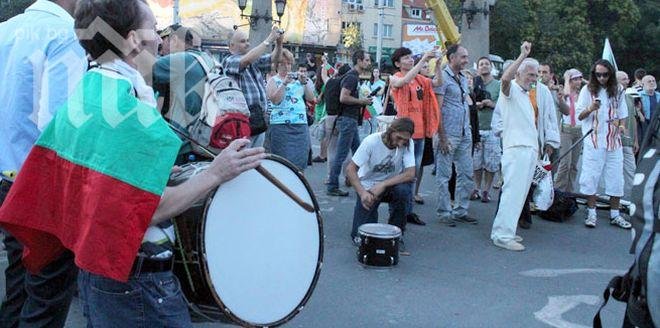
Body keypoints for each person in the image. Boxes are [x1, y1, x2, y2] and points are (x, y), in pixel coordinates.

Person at [0, 1, 266, 326]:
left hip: (104, 277)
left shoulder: (91, 88)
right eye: (153, 29)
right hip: (137, 286)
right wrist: (215, 172)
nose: (159, 39)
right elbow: (148, 210)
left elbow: (97, 180)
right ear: (130, 41)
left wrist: (151, 172)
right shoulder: (125, 108)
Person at [0, 0, 87, 326]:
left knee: (19, 287)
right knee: (45, 300)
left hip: (8, 180)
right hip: (41, 189)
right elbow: (62, 129)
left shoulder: (4, 31)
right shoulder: (65, 34)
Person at [490, 41, 560, 251]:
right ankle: (502, 235)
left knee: (521, 194)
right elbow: (504, 78)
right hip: (516, 150)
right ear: (519, 74)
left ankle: (506, 231)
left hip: (529, 150)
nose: (534, 79)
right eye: (530, 75)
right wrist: (522, 55)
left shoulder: (529, 94)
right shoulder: (509, 89)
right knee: (513, 192)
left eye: (536, 75)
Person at [389, 47, 441, 225]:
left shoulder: (420, 79)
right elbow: (402, 81)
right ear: (397, 63)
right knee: (403, 173)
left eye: (411, 57)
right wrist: (423, 59)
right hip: (404, 133)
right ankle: (399, 210)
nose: (410, 60)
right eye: (406, 58)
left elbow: (437, 83)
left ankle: (408, 211)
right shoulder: (395, 77)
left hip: (420, 132)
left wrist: (439, 65)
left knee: (414, 173)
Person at [576, 59, 630, 229]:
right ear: (593, 74)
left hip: (614, 141)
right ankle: (591, 212)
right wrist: (591, 108)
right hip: (594, 141)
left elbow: (622, 114)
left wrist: (621, 127)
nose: (601, 78)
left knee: (616, 179)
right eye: (598, 74)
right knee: (591, 177)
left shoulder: (619, 90)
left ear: (611, 75)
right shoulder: (587, 90)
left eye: (605, 75)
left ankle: (615, 214)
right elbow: (579, 116)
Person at [347, 118, 416, 247]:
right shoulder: (371, 142)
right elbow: (350, 169)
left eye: (405, 141)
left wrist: (383, 184)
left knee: (404, 191)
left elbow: (410, 173)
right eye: (399, 138)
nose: (401, 144)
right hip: (368, 185)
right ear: (391, 131)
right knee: (362, 236)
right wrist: (362, 193)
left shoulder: (408, 144)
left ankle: (396, 233)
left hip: (390, 185)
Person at [152, 25, 215, 164]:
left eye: (166, 40)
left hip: (184, 142)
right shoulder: (208, 59)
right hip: (206, 137)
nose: (163, 44)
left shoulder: (181, 60)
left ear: (174, 39)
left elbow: (145, 68)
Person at [434, 44, 476, 226]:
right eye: (463, 57)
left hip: (464, 133)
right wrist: (442, 137)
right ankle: (444, 213)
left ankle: (460, 210)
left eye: (466, 57)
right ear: (452, 58)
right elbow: (438, 109)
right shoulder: (442, 77)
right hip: (448, 134)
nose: (466, 60)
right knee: (444, 176)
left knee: (466, 173)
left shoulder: (463, 78)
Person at [223, 25, 284, 147]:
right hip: (241, 121)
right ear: (231, 46)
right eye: (242, 41)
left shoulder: (253, 59)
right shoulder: (229, 60)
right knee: (244, 159)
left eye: (247, 41)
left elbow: (274, 59)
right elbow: (246, 60)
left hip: (258, 119)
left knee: (255, 158)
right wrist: (269, 39)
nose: (247, 44)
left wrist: (279, 43)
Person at [326, 50, 374, 196]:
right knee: (341, 154)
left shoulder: (353, 77)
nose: (369, 63)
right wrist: (362, 101)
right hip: (347, 120)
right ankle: (333, 185)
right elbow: (343, 98)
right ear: (359, 61)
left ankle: (352, 178)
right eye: (366, 60)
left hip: (349, 119)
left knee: (359, 152)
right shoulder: (352, 77)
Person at [266, 51, 315, 170]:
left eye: (289, 63)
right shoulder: (273, 80)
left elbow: (310, 98)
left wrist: (305, 82)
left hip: (300, 124)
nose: (286, 66)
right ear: (277, 65)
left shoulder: (298, 80)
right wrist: (284, 83)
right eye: (283, 63)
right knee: (281, 161)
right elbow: (275, 100)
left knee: (300, 159)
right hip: (281, 125)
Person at [471, 56, 502, 203]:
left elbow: (504, 105)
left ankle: (486, 190)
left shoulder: (498, 85)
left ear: (491, 67)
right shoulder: (474, 84)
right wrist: (475, 104)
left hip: (492, 129)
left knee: (491, 163)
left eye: (486, 64)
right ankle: (476, 188)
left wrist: (491, 103)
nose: (484, 66)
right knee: (476, 162)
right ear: (478, 68)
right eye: (481, 64)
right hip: (476, 128)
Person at [554, 68, 584, 193]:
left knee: (573, 166)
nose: (578, 82)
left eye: (579, 78)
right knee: (565, 163)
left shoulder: (583, 93)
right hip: (566, 130)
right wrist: (566, 78)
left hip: (579, 131)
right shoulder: (565, 92)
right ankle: (558, 192)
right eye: (575, 79)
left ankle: (569, 193)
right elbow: (566, 94)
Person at [615, 71, 639, 199]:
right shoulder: (611, 97)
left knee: (631, 171)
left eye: (627, 78)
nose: (627, 81)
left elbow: (633, 119)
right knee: (614, 173)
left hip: (628, 143)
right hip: (614, 142)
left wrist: (636, 140)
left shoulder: (629, 98)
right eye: (624, 79)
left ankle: (633, 200)